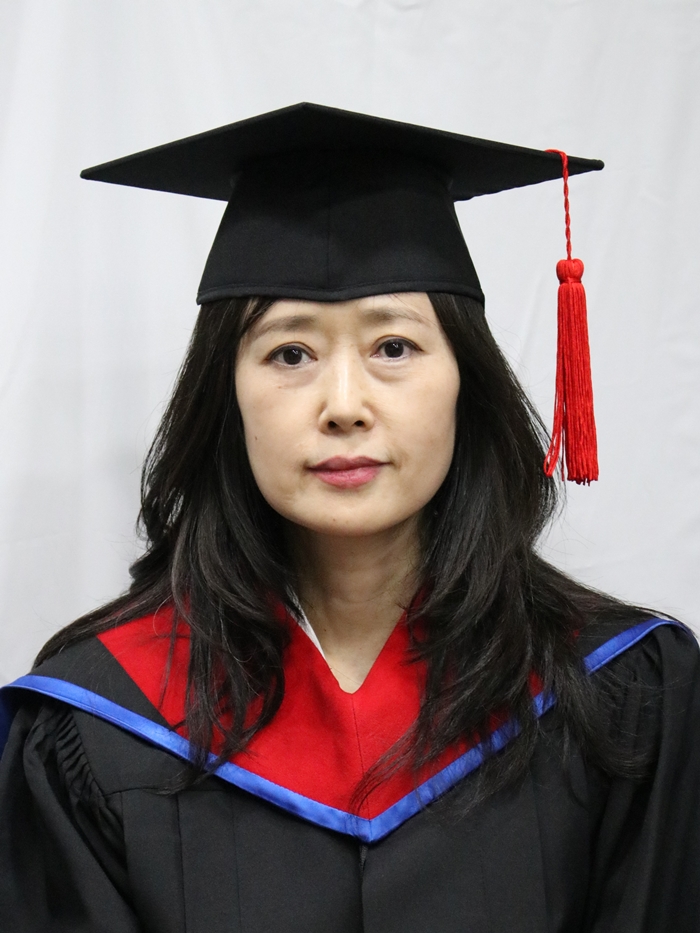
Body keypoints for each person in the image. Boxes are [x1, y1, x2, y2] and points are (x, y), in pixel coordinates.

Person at [0, 103, 698, 933]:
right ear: (227, 395)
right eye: (290, 352)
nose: (343, 404)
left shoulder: (620, 692)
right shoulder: (97, 723)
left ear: (466, 381)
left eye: (393, 347)